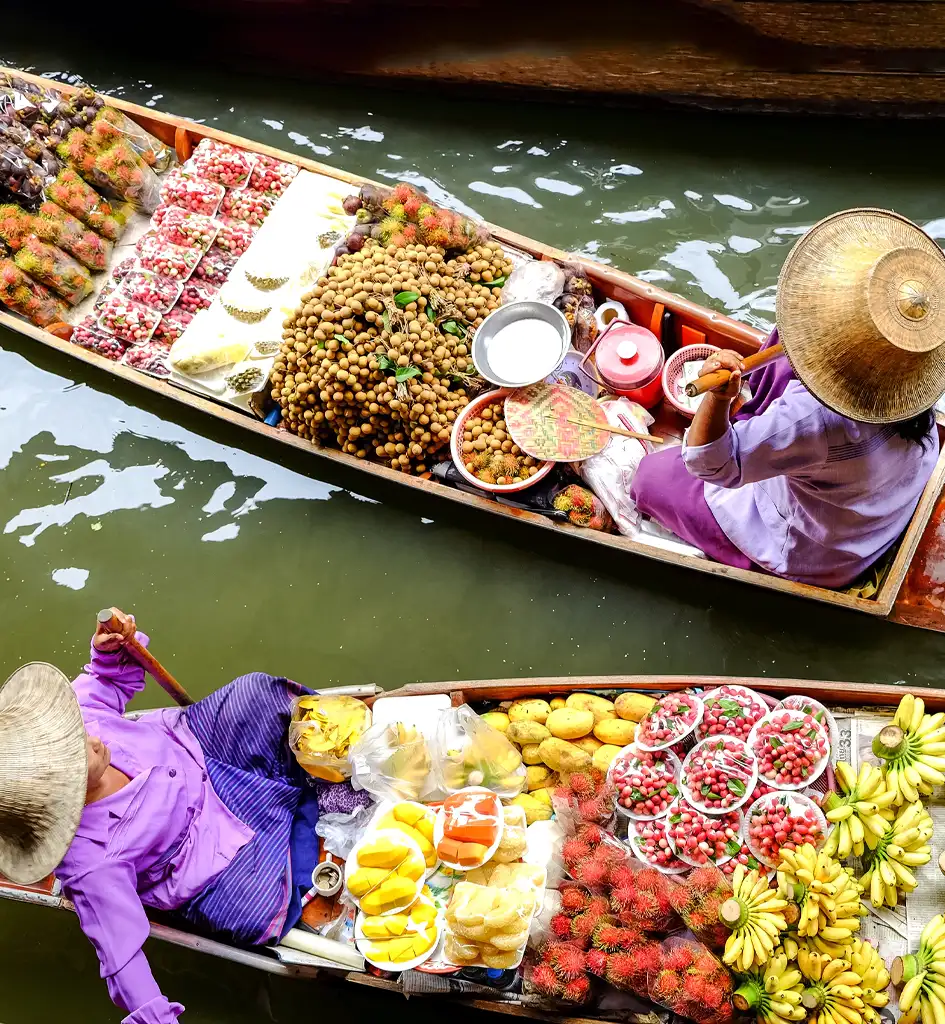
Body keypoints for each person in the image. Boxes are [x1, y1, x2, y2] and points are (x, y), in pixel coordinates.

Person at [0, 611, 319, 1024]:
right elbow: (121, 957)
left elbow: (107, 682)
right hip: (201, 855)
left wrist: (108, 651)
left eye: (80, 732)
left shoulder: (75, 722)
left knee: (255, 694)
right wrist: (155, 1017)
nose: (93, 738)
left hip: (195, 750)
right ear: (63, 796)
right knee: (250, 911)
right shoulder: (91, 866)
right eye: (83, 753)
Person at [630, 208, 945, 588]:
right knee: (784, 338)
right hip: (878, 510)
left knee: (648, 478)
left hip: (819, 551)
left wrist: (717, 398)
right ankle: (752, 431)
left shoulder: (812, 421)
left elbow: (709, 465)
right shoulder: (912, 383)